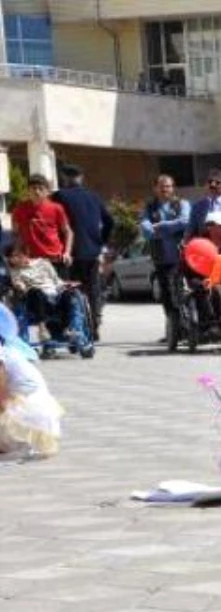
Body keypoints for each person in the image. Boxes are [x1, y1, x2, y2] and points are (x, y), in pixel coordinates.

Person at [51, 165, 113, 339]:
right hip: (92, 252)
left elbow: (53, 222)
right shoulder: (94, 197)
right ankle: (94, 327)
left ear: (65, 178)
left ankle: (69, 328)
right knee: (93, 290)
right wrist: (101, 240)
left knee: (67, 291)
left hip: (68, 253)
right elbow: (109, 221)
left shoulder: (59, 196)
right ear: (81, 178)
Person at [5, 245, 93, 354]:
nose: (13, 260)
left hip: (54, 293)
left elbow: (56, 280)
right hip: (37, 299)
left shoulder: (43, 263)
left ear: (25, 255)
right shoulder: (15, 271)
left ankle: (73, 330)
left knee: (71, 294)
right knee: (35, 291)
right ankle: (43, 329)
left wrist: (66, 285)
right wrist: (20, 286)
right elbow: (19, 285)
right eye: (11, 258)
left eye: (15, 256)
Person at [139, 174, 192, 340]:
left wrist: (160, 226)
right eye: (162, 186)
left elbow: (185, 221)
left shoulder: (182, 204)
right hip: (161, 259)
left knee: (184, 293)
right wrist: (170, 227)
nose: (165, 190)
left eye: (168, 186)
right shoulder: (150, 207)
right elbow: (145, 229)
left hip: (182, 258)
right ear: (155, 188)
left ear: (173, 187)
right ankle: (173, 329)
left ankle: (187, 326)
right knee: (167, 295)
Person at [0, 330, 64, 459]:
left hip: (29, 415)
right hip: (40, 416)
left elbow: (2, 396)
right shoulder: (10, 351)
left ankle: (14, 443)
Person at [12, 174, 72, 274]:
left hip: (54, 258)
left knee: (59, 289)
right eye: (33, 188)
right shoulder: (20, 209)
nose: (37, 192)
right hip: (32, 260)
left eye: (41, 189)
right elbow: (17, 234)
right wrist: (17, 251)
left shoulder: (56, 208)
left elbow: (68, 231)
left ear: (47, 192)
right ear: (28, 190)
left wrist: (67, 252)